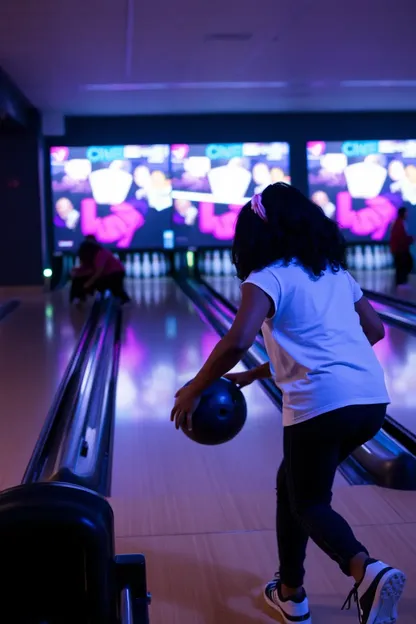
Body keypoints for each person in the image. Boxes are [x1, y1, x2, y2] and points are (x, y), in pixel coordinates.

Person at [171, 183, 406, 624]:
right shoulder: (336, 273)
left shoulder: (265, 277)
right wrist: (257, 374)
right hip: (371, 402)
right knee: (292, 487)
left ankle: (366, 571)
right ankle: (291, 592)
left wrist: (196, 385)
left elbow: (237, 340)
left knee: (310, 503)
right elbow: (374, 330)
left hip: (319, 406)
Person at [70, 239, 131, 304]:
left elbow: (98, 273)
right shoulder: (91, 256)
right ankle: (78, 298)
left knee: (115, 289)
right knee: (79, 280)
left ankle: (124, 300)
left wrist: (88, 283)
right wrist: (77, 272)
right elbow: (88, 269)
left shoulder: (101, 253)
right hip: (106, 274)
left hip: (116, 273)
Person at [390, 206, 414, 289]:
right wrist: (410, 239)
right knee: (402, 266)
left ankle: (402, 282)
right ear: (402, 213)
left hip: (401, 249)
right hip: (399, 249)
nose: (407, 214)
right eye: (406, 212)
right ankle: (400, 283)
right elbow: (400, 238)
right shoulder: (398, 223)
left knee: (404, 265)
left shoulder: (401, 222)